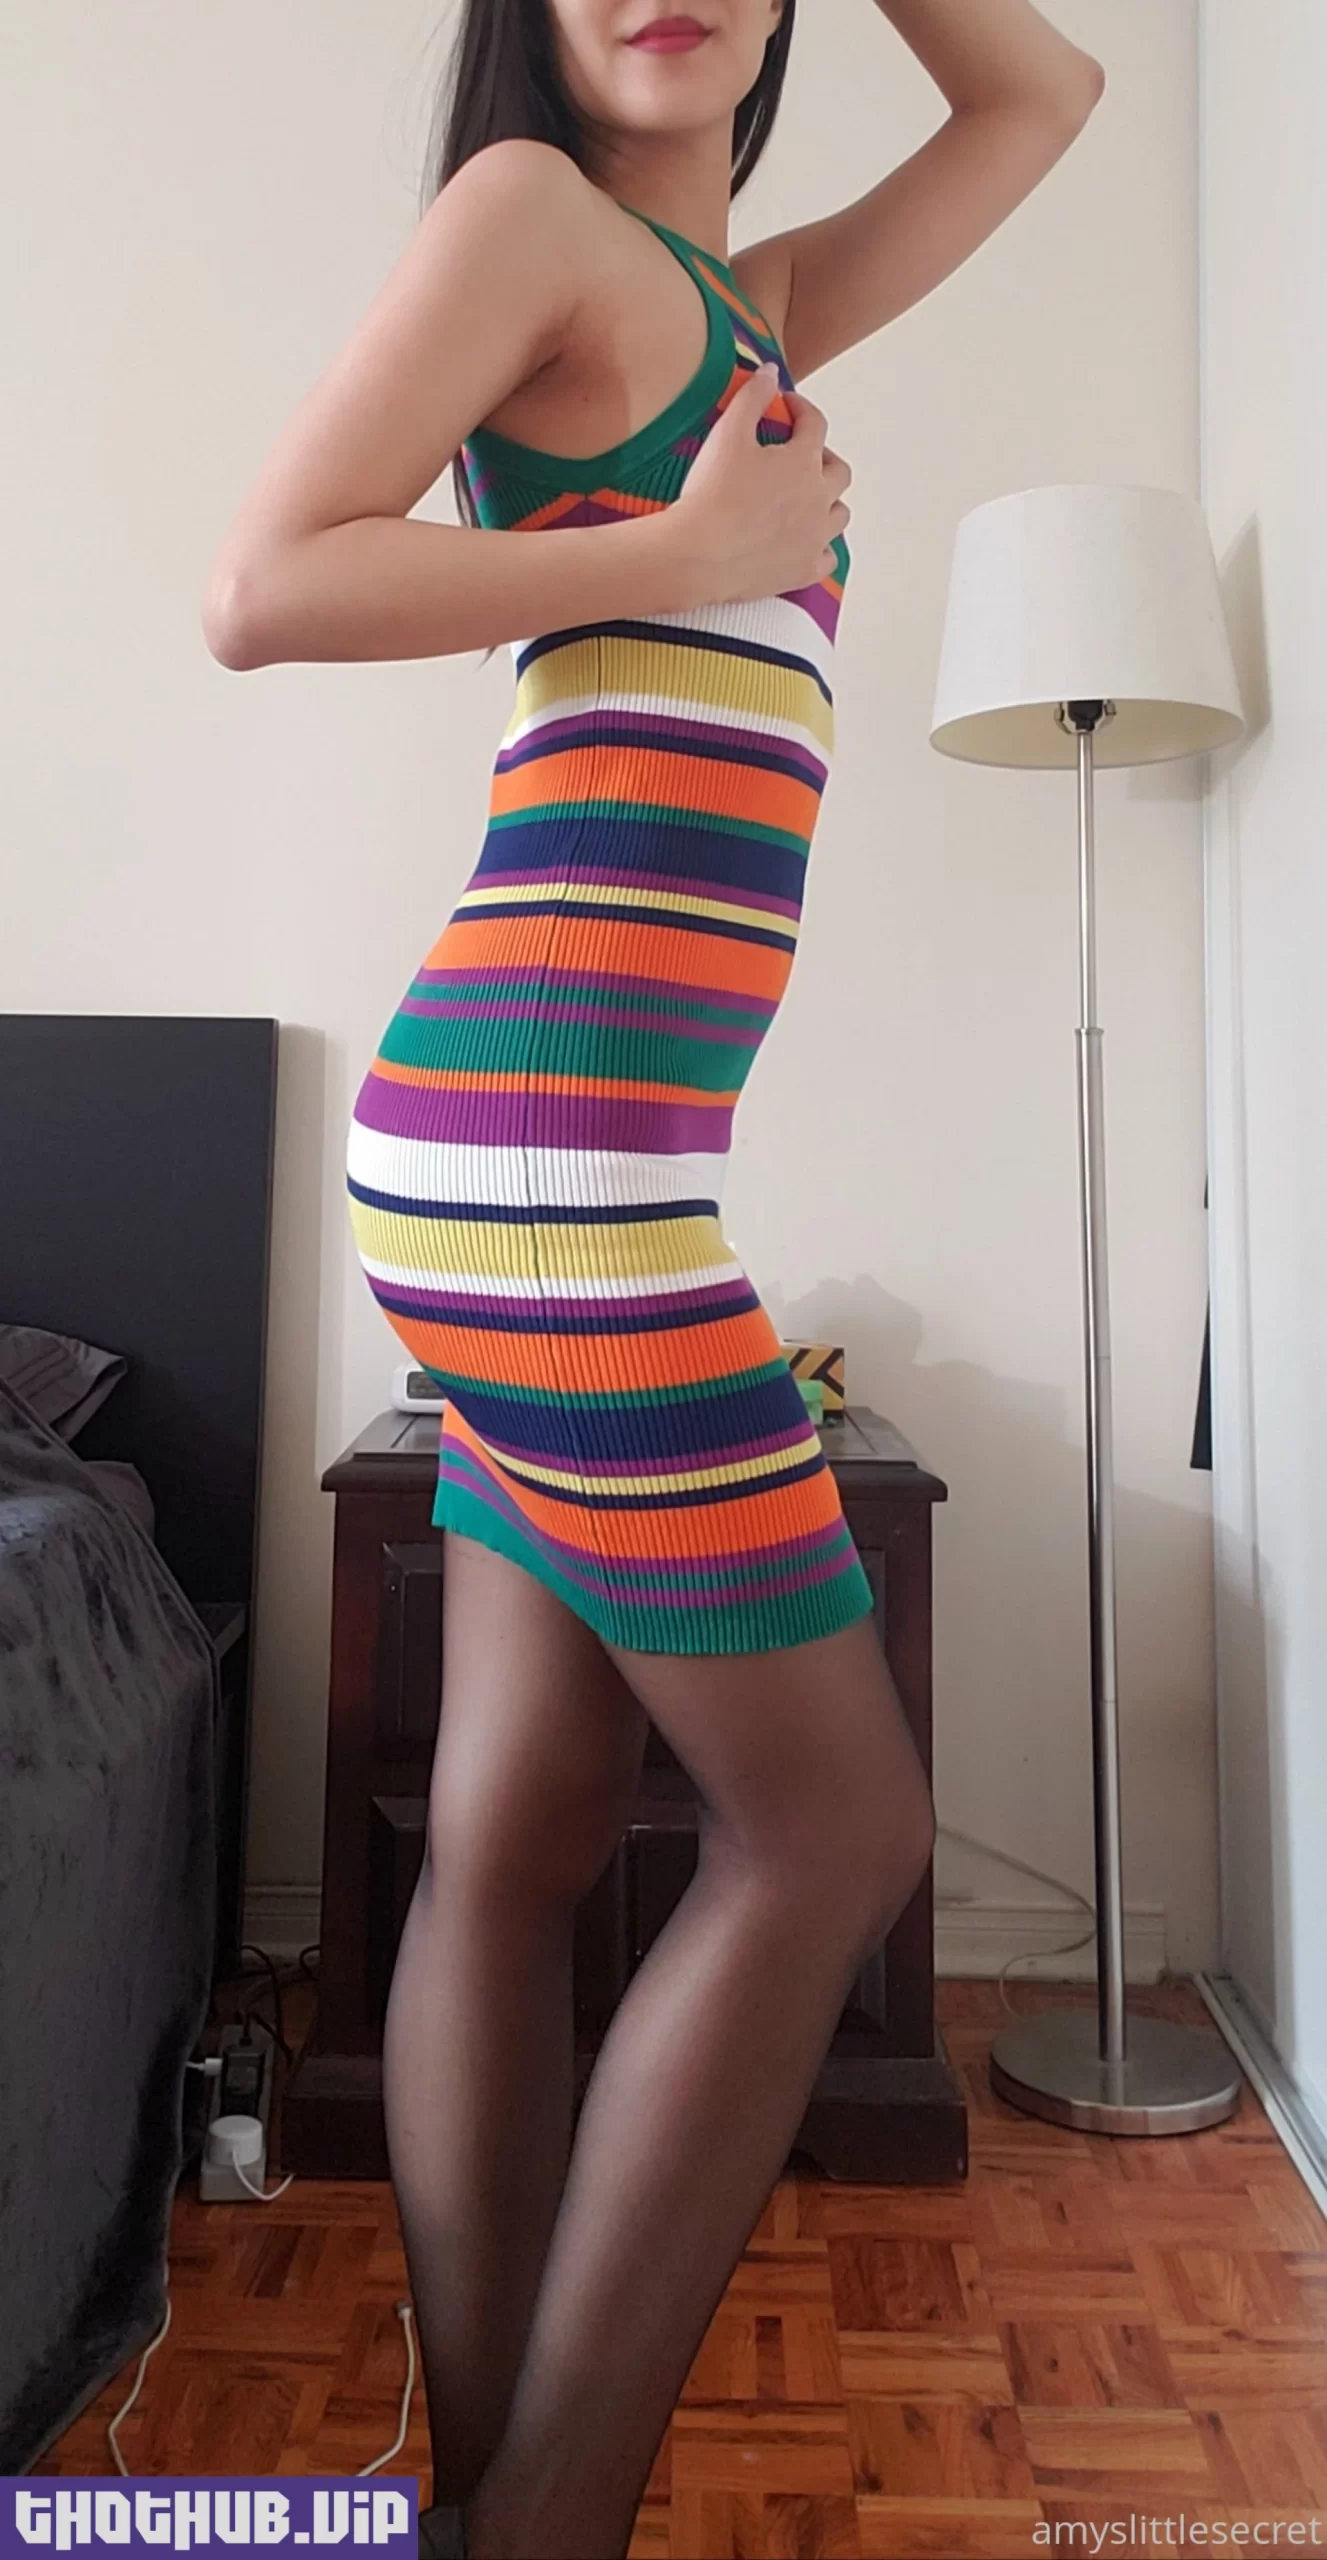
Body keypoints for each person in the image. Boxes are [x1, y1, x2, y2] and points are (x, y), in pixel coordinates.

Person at [203, 4, 1104, 2550]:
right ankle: (549, 2519)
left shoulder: (752, 311)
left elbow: (1041, 97)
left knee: (528, 1812)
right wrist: (675, 556)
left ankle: (488, 2476)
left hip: (549, 1158)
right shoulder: (533, 224)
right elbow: (264, 582)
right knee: (838, 1827)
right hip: (546, 1165)